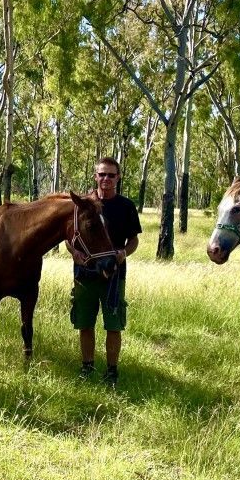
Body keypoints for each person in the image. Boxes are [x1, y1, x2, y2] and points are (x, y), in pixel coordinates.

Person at [70, 157, 141, 385]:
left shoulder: (126, 206)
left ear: (118, 177)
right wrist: (74, 253)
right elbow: (69, 237)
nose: (106, 179)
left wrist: (123, 253)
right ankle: (87, 367)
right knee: (85, 323)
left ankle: (112, 372)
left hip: (114, 275)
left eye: (111, 175)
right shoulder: (83, 204)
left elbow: (133, 240)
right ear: (95, 177)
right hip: (85, 275)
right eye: (102, 174)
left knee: (113, 325)